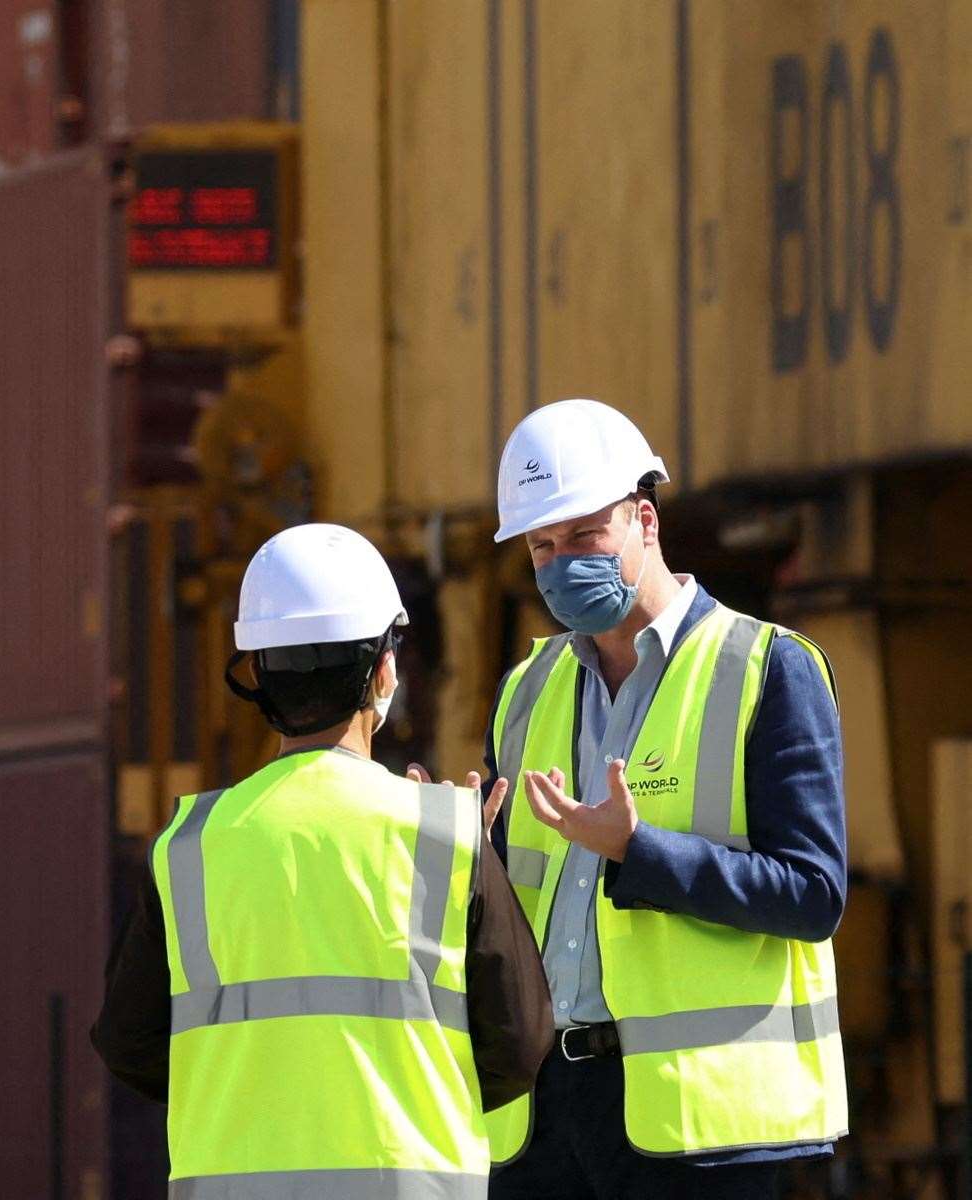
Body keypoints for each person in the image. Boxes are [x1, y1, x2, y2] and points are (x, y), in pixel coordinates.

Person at [92, 523, 552, 1199]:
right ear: (385, 671)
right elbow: (519, 1041)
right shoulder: (447, 836)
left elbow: (130, 1043)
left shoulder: (189, 845)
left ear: (258, 678)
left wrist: (250, 1086)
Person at [472, 399, 848, 1199]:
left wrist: (640, 853)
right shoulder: (523, 693)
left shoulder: (769, 669)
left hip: (699, 1134)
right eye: (542, 546)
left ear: (645, 520)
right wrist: (453, 855)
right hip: (540, 1122)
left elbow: (815, 895)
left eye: (583, 536)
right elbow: (503, 919)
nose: (562, 562)